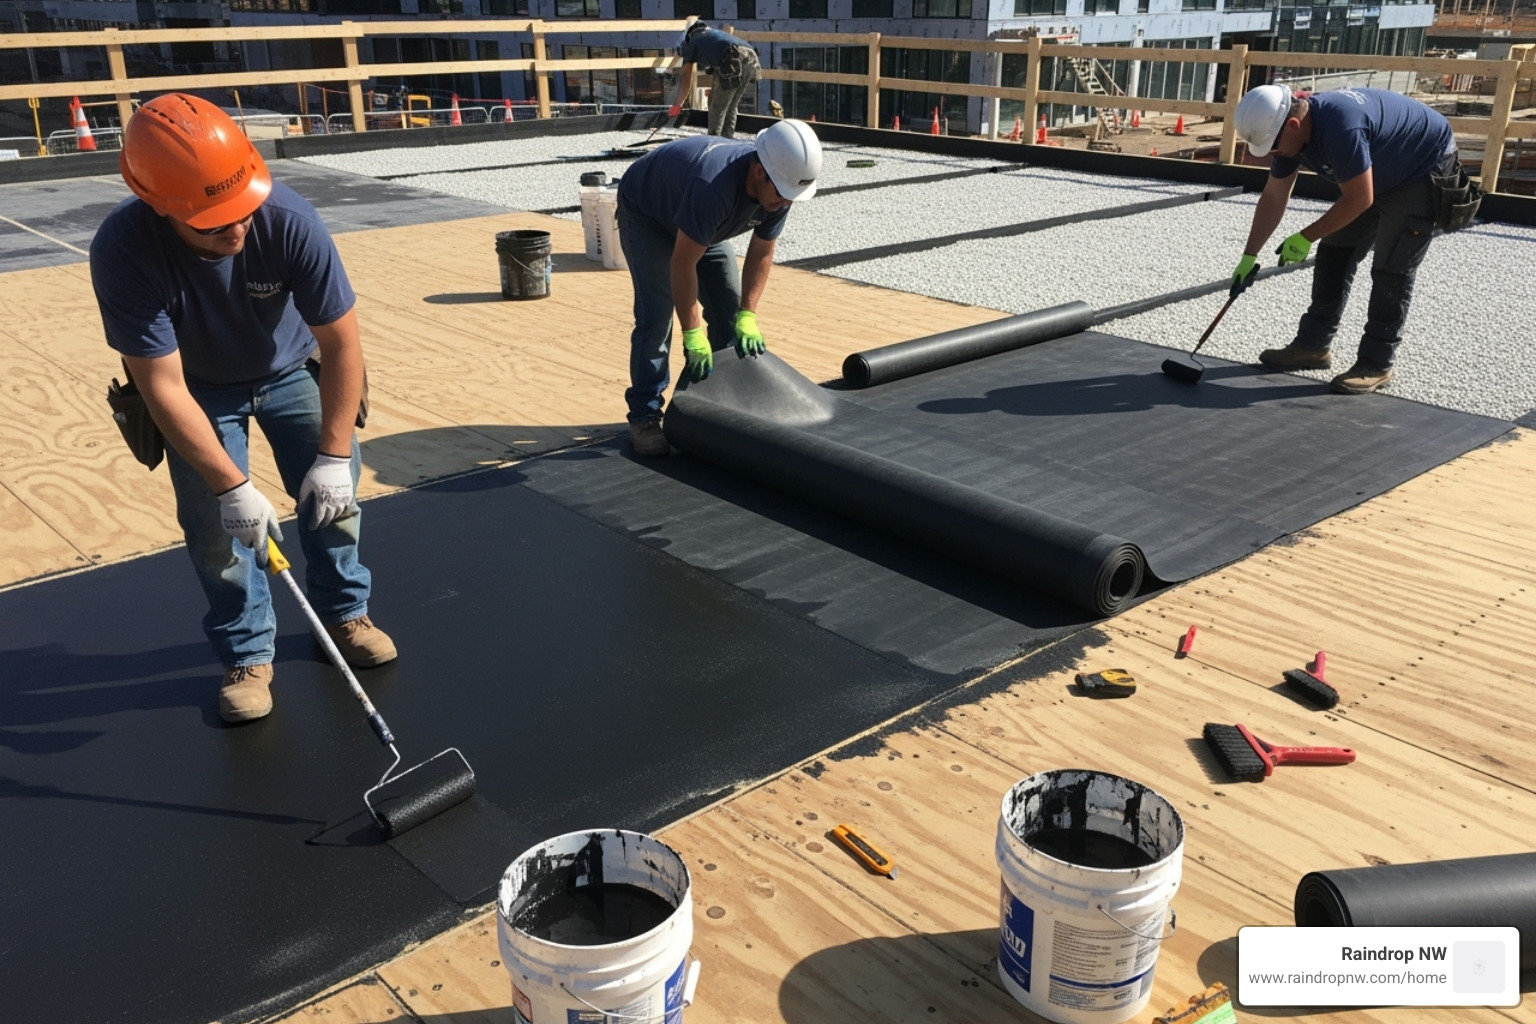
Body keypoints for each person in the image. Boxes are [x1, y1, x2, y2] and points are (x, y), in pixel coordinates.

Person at [89, 92, 395, 724]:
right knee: (215, 528)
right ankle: (247, 653)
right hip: (196, 388)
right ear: (162, 205)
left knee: (335, 499)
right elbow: (162, 386)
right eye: (213, 222)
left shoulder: (288, 218)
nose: (236, 230)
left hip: (290, 368)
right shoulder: (124, 251)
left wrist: (333, 456)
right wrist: (231, 489)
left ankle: (345, 614)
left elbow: (343, 345)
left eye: (243, 212)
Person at [1228, 84, 1467, 395]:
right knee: (1335, 250)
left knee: (1391, 267)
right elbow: (1274, 196)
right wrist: (1249, 256)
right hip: (1378, 164)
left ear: (1293, 125)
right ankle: (1313, 346)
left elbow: (1360, 198)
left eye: (1273, 147)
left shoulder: (1341, 127)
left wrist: (1305, 236)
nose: (1274, 154)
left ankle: (1376, 363)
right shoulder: (1287, 138)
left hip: (1422, 166)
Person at [617, 119, 823, 456]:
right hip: (648, 215)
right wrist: (692, 332)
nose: (786, 203)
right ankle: (645, 416)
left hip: (701, 222)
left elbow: (762, 251)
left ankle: (709, 405)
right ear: (759, 171)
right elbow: (682, 264)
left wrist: (748, 314)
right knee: (656, 316)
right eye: (782, 195)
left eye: (791, 197)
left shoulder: (780, 189)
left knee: (728, 308)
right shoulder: (714, 185)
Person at [668, 21, 762, 139]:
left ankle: (713, 139)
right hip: (752, 58)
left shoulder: (692, 41)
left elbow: (684, 83)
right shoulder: (711, 36)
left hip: (732, 57)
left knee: (717, 106)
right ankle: (727, 139)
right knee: (731, 104)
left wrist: (676, 107)